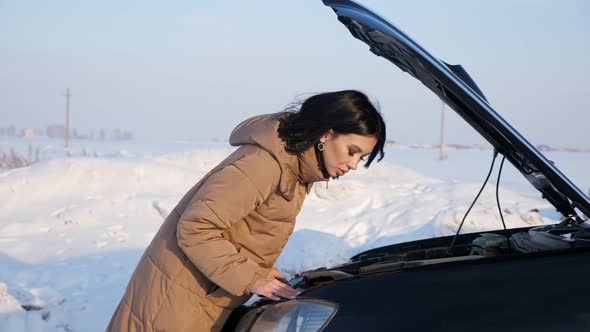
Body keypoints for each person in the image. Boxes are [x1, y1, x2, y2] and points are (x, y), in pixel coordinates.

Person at [106, 90, 386, 331]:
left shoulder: (295, 168)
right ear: (327, 133)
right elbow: (196, 228)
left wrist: (259, 268)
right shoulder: (264, 164)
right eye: (351, 151)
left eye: (361, 157)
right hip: (173, 304)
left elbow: (242, 228)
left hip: (198, 295)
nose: (353, 165)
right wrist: (251, 277)